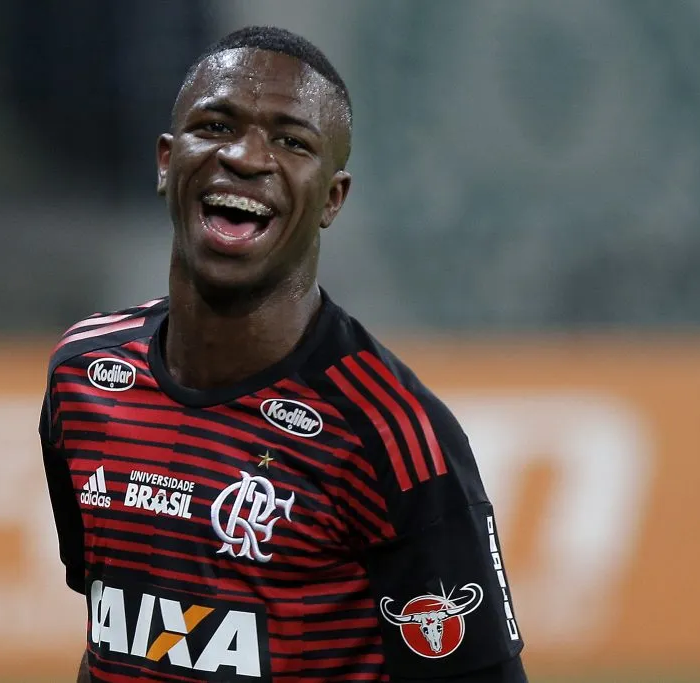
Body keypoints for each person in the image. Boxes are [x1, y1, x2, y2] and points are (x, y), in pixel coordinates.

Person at [40, 26, 526, 683]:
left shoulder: (393, 437)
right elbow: (112, 636)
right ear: (165, 161)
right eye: (215, 125)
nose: (244, 156)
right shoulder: (84, 375)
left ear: (332, 198)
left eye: (292, 141)